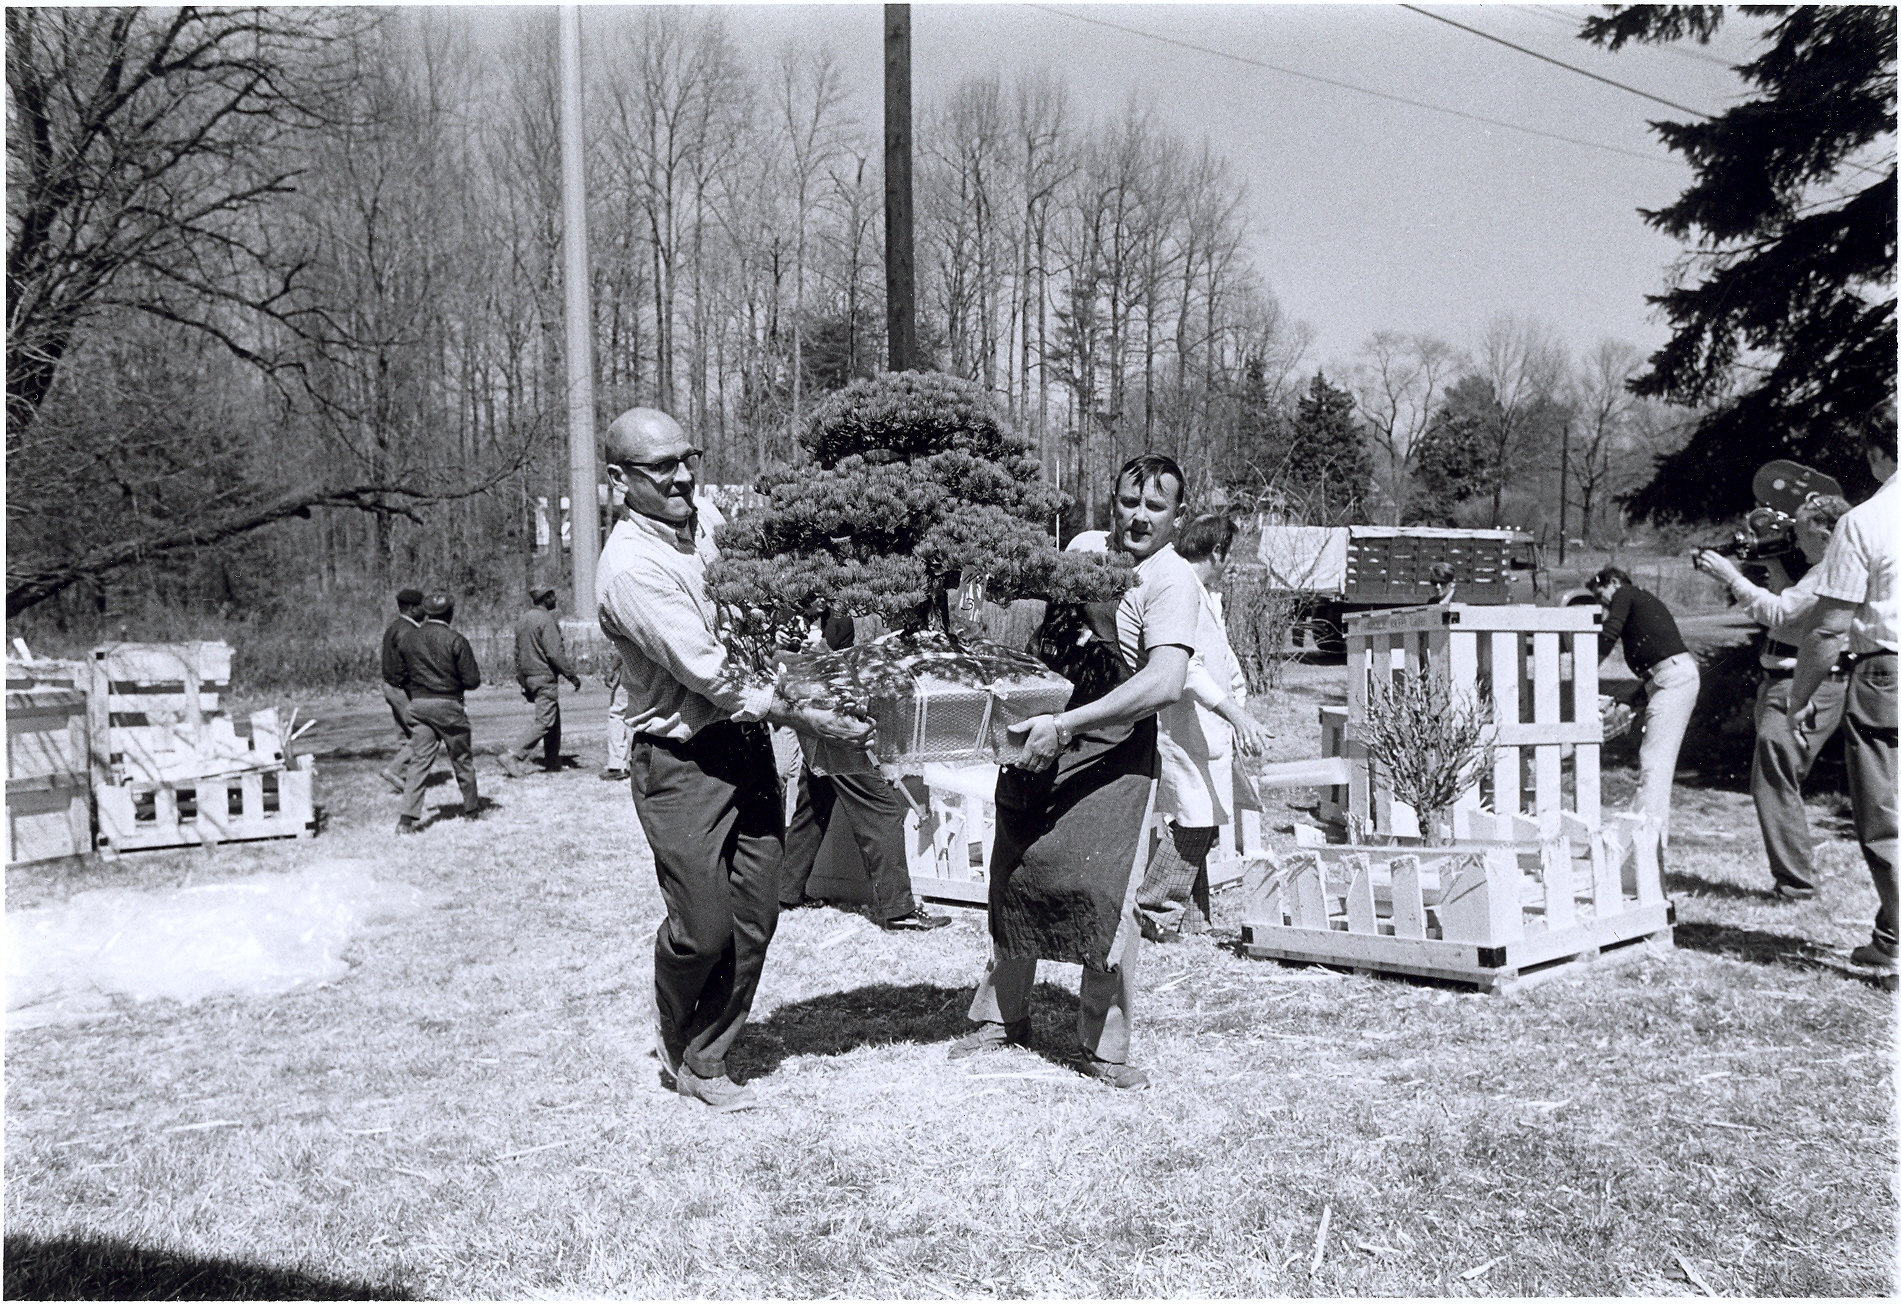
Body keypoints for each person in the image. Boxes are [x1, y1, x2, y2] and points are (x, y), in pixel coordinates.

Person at [596, 407, 872, 1111]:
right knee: (703, 926)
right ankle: (674, 1019)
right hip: (681, 759)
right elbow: (713, 673)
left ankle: (706, 1058)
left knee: (756, 912)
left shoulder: (710, 521)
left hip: (745, 744)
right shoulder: (630, 569)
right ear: (620, 480)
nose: (683, 476)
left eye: (687, 459)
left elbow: (764, 598)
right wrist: (806, 712)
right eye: (662, 468)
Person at [950, 453, 1198, 1090]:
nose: (1138, 517)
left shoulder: (1171, 581)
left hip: (1111, 755)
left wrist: (1072, 723)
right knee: (1015, 875)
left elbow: (1165, 681)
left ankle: (1104, 1046)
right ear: (1111, 500)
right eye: (1128, 501)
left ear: (1178, 516)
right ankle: (1000, 1018)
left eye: (1156, 506)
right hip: (1040, 738)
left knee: (1103, 898)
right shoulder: (1084, 549)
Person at [1694, 495, 1854, 899]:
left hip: (1802, 683)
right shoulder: (1821, 571)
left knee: (1773, 779)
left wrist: (1732, 577)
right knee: (1776, 778)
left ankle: (1796, 882)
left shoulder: (1832, 570)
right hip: (1788, 680)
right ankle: (1794, 877)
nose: (1795, 543)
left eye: (1799, 534)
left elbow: (1780, 614)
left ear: (1824, 532)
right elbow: (1793, 613)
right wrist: (1774, 563)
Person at [1789, 409, 1897, 970]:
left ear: (1878, 454)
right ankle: (1889, 938)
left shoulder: (1866, 520)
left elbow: (1830, 627)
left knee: (1887, 817)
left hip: (1888, 671)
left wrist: (1799, 694)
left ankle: (1897, 945)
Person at [1137, 511, 1272, 941]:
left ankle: (1194, 920)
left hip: (1210, 730)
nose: (1228, 563)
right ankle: (1153, 909)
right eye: (1227, 554)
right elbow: (1188, 669)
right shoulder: (1182, 590)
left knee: (1204, 819)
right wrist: (1234, 713)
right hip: (1183, 726)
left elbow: (1226, 663)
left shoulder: (1207, 596)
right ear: (1217, 552)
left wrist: (1240, 712)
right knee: (1193, 821)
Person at [778, 607, 951, 932]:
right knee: (882, 812)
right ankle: (900, 910)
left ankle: (786, 891)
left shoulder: (812, 615)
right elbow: (838, 643)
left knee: (813, 807)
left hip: (817, 726)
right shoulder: (834, 617)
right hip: (835, 727)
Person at [1588, 566, 1697, 853]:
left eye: (1602, 597)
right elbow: (1655, 668)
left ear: (1612, 582)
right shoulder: (1639, 600)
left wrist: (1584, 670)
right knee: (1653, 762)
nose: (1604, 605)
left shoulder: (1625, 593)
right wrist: (1629, 701)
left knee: (1654, 763)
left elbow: (1611, 631)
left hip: (1673, 679)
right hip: (1667, 678)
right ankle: (1646, 840)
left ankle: (1644, 845)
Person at [394, 591, 483, 833]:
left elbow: (397, 675)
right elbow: (472, 680)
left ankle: (405, 820)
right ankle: (472, 811)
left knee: (419, 762)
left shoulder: (408, 638)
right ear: (450, 613)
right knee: (462, 759)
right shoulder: (456, 640)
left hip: (419, 706)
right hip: (448, 707)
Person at [500, 585, 583, 778]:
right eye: (552, 595)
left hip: (530, 677)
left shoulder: (523, 620)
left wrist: (522, 681)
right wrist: (571, 675)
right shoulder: (546, 620)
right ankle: (512, 754)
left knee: (553, 718)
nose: (555, 598)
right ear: (545, 599)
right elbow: (554, 653)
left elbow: (517, 654)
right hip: (544, 677)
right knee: (545, 721)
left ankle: (552, 761)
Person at [377, 587, 425, 793]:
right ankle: (394, 770)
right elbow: (407, 666)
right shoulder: (409, 631)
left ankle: (406, 778)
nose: (425, 610)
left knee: (405, 735)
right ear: (413, 608)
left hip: (392, 688)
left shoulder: (395, 626)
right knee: (421, 734)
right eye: (422, 606)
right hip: (401, 689)